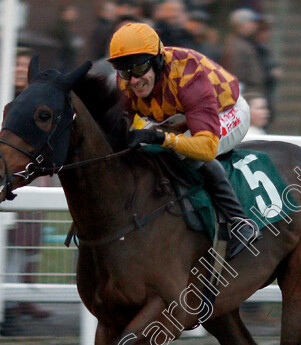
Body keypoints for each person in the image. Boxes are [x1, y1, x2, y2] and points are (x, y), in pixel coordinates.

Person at [107, 22, 259, 259]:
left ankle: (240, 222)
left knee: (184, 151)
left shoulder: (187, 74)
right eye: (125, 71)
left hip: (227, 111)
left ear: (157, 61)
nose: (133, 80)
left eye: (139, 69)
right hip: (179, 116)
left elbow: (207, 147)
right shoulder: (124, 82)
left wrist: (161, 138)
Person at [220, 8, 265, 100]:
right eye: (251, 22)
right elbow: (236, 73)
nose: (255, 26)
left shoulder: (245, 43)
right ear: (241, 24)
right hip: (245, 94)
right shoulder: (235, 46)